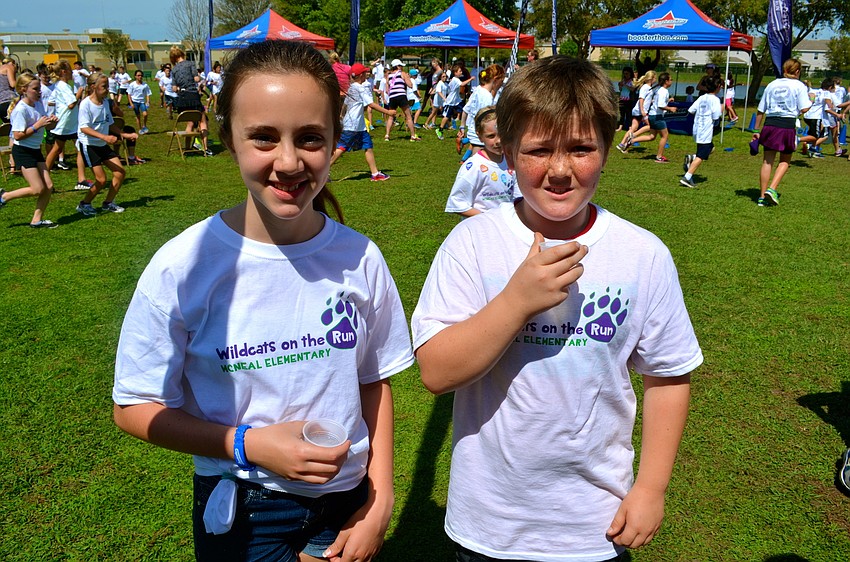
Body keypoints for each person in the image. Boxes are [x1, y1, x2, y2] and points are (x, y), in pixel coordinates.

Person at [112, 39, 414, 562]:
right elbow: (134, 408)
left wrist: (380, 498)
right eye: (264, 138)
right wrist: (247, 444)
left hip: (347, 502)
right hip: (247, 509)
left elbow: (373, 379)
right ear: (228, 139)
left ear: (335, 139)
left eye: (311, 138)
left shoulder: (360, 257)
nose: (290, 161)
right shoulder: (183, 266)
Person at [411, 55, 701, 562]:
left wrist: (651, 489)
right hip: (489, 522)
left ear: (608, 150)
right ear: (507, 153)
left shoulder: (642, 254)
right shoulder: (473, 243)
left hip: (592, 522)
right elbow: (436, 371)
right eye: (539, 150)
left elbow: (668, 376)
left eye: (582, 148)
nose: (561, 170)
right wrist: (515, 303)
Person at [0, 72, 59, 228]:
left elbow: (46, 125)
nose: (39, 92)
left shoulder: (38, 104)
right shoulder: (20, 110)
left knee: (48, 187)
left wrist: (52, 122)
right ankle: (4, 196)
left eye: (39, 88)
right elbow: (18, 135)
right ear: (23, 89)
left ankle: (36, 220)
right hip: (23, 151)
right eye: (35, 89)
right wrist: (37, 125)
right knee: (37, 188)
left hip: (35, 149)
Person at [752, 58, 812, 207]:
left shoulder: (772, 84)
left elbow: (761, 109)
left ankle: (761, 197)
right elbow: (804, 109)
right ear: (797, 71)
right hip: (786, 125)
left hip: (770, 124)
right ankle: (772, 189)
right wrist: (812, 100)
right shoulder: (799, 85)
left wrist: (755, 129)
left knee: (767, 161)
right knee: (785, 160)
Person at [444, 106, 516, 218]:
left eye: (502, 133)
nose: (499, 141)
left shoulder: (511, 162)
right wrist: (489, 218)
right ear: (480, 136)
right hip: (481, 230)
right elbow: (457, 203)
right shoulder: (474, 167)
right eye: (491, 136)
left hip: (506, 229)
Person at [331, 62, 395, 181]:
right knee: (342, 148)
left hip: (358, 126)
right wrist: (388, 112)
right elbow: (371, 104)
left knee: (368, 146)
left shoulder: (352, 87)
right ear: (361, 75)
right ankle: (323, 172)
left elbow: (345, 104)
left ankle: (375, 174)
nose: (367, 74)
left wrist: (341, 115)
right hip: (353, 126)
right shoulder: (360, 88)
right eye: (365, 72)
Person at [75, 72, 127, 216]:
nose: (107, 89)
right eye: (104, 86)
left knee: (120, 172)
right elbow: (84, 128)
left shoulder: (105, 102)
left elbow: (109, 123)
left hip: (101, 143)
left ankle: (108, 203)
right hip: (89, 145)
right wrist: (105, 137)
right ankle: (84, 204)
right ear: (93, 87)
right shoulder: (85, 104)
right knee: (101, 179)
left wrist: (124, 134)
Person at [43, 60, 92, 191]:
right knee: (62, 149)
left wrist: (60, 105)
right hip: (67, 124)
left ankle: (81, 179)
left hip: (68, 122)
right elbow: (71, 104)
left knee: (66, 149)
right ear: (64, 72)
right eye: (70, 70)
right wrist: (79, 93)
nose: (72, 73)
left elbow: (51, 102)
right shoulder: (64, 86)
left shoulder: (58, 85)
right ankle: (45, 179)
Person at [623, 72, 676, 163]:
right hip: (657, 116)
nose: (671, 81)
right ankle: (659, 157)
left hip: (652, 115)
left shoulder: (659, 90)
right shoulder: (663, 91)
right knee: (664, 136)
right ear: (666, 81)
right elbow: (660, 105)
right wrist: (670, 108)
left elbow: (658, 101)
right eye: (670, 79)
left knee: (652, 136)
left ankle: (631, 141)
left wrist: (668, 100)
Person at [680, 74, 722, 188]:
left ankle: (692, 158)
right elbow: (716, 116)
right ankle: (687, 177)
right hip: (706, 130)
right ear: (718, 87)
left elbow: (691, 110)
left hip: (697, 128)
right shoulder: (715, 100)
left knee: (711, 148)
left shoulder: (702, 97)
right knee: (702, 155)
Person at [170, 46, 212, 155]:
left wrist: (180, 87)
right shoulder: (190, 64)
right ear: (182, 55)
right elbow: (197, 79)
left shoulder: (174, 69)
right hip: (193, 96)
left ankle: (187, 148)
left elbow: (174, 88)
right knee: (202, 121)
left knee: (190, 122)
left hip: (182, 100)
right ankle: (205, 148)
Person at [458, 64, 505, 161]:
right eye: (501, 81)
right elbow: (487, 119)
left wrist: (462, 126)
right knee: (479, 162)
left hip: (473, 131)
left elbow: (466, 109)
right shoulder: (487, 97)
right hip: (481, 135)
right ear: (496, 80)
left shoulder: (478, 90)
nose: (502, 83)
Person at [616, 70, 656, 152]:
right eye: (655, 78)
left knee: (633, 128)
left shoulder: (648, 88)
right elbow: (641, 99)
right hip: (640, 111)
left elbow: (647, 100)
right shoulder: (646, 87)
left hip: (638, 110)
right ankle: (633, 136)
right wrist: (642, 111)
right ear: (651, 78)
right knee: (651, 126)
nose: (656, 79)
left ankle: (622, 144)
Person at [382, 59, 420, 142]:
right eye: (401, 66)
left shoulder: (389, 76)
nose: (402, 67)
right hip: (401, 96)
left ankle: (387, 135)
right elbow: (410, 85)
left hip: (392, 97)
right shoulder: (402, 74)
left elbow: (387, 90)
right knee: (408, 116)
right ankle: (413, 136)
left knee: (391, 117)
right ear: (398, 66)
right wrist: (408, 78)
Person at [435, 64, 473, 140]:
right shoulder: (455, 79)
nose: (461, 72)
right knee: (446, 116)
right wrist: (471, 79)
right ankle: (440, 129)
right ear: (455, 73)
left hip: (456, 101)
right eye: (460, 71)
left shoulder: (454, 79)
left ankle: (462, 129)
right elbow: (462, 84)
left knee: (464, 110)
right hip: (450, 102)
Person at [126, 70, 151, 134]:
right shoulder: (132, 84)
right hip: (135, 102)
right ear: (135, 76)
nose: (140, 77)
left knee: (145, 114)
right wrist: (131, 103)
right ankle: (140, 129)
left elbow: (147, 93)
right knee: (138, 116)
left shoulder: (145, 85)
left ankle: (144, 125)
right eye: (138, 75)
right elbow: (129, 94)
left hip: (142, 102)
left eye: (141, 75)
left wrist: (148, 101)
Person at [617, 67, 636, 131]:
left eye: (627, 74)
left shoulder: (632, 81)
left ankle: (630, 127)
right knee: (622, 114)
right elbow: (620, 90)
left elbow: (633, 89)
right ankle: (620, 127)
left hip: (629, 100)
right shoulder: (623, 80)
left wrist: (626, 85)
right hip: (622, 99)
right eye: (624, 74)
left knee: (628, 114)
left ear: (630, 74)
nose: (625, 75)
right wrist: (620, 85)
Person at [0, 57, 18, 122]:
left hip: (1, 102)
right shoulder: (9, 66)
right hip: (9, 100)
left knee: (7, 127)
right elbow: (13, 84)